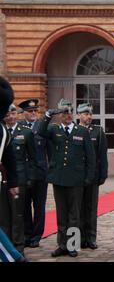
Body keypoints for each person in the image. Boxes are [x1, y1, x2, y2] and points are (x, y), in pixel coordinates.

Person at [37, 99, 96, 258]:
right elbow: (40, 131)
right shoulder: (54, 129)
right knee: (61, 214)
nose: (68, 115)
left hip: (76, 180)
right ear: (60, 115)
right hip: (59, 179)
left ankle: (72, 245)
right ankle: (62, 245)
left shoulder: (82, 131)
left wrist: (89, 177)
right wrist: (47, 115)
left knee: (74, 215)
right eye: (65, 113)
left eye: (70, 112)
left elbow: (90, 157)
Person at [0, 104, 37, 255]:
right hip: (2, 179)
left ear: (17, 114)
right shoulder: (1, 132)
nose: (10, 116)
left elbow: (33, 158)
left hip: (19, 179)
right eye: (7, 114)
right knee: (3, 215)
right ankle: (7, 246)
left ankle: (18, 246)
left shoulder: (26, 133)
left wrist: (29, 179)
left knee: (17, 214)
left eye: (13, 113)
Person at [0, 76, 28, 262]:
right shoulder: (3, 129)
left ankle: (14, 257)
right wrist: (12, 182)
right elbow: (9, 157)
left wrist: (13, 181)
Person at [18, 99, 49, 248]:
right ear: (23, 113)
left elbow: (49, 149)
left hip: (40, 173)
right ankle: (27, 234)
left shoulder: (42, 126)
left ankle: (37, 235)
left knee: (39, 206)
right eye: (30, 111)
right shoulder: (19, 127)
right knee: (24, 206)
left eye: (35, 111)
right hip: (24, 173)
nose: (33, 113)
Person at [77, 103, 108, 250]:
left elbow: (102, 155)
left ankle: (91, 238)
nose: (88, 116)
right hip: (77, 177)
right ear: (79, 115)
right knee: (77, 209)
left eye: (90, 114)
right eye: (85, 114)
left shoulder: (98, 131)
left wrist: (103, 174)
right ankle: (79, 238)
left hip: (93, 176)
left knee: (91, 208)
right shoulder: (74, 131)